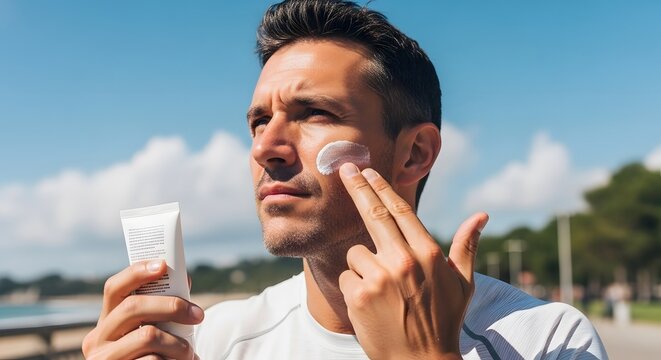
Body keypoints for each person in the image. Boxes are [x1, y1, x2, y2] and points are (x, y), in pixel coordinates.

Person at [82, 1, 608, 359]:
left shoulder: (543, 339)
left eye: (313, 112)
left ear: (414, 153)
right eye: (258, 121)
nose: (266, 147)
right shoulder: (218, 340)